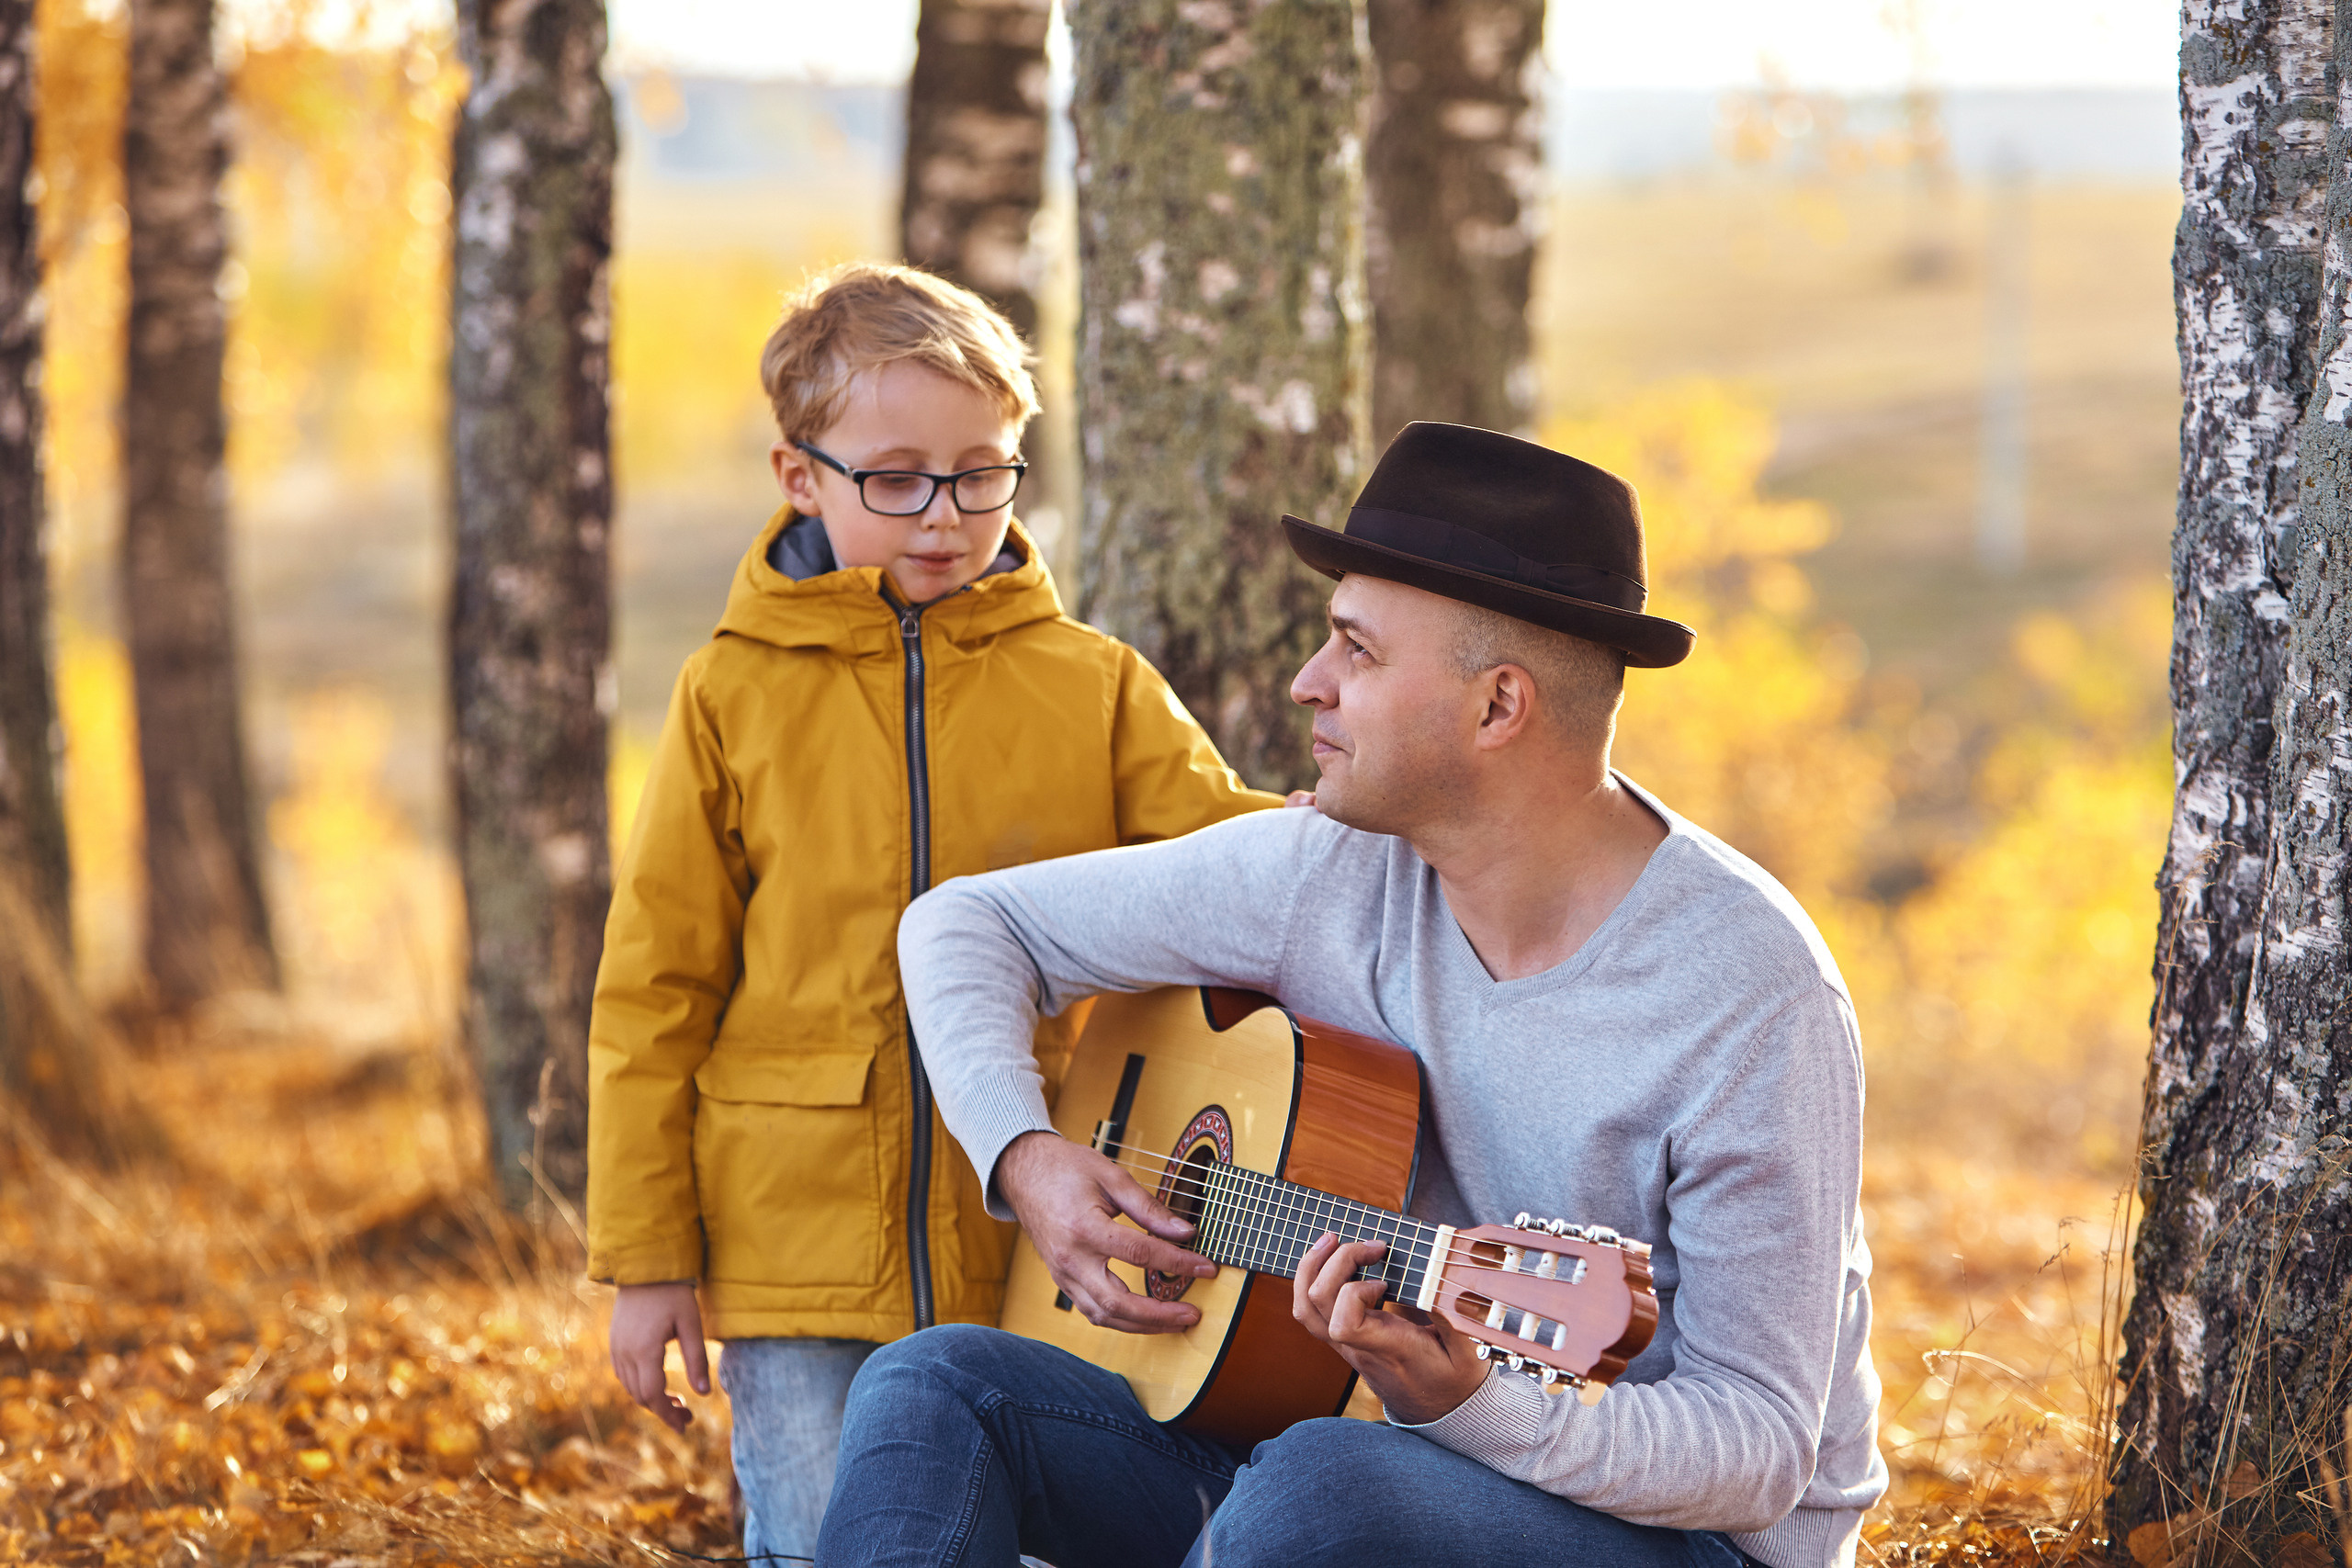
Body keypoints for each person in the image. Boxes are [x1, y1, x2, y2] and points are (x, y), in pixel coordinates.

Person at [820, 422, 1889, 1568]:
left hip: (1689, 1539)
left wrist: (1469, 1406)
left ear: (1498, 708)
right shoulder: (1327, 870)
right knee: (938, 1386)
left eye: (1357, 651)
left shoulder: (1748, 992)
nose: (1307, 683)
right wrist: (1025, 1154)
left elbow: (1755, 1448)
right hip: (1373, 1475)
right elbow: (966, 924)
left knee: (1324, 1488)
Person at [582, 262, 1281, 1564]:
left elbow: (1237, 867)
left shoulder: (1094, 686)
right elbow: (653, 992)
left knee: (992, 1525)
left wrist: (1380, 822)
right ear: (801, 477)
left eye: (980, 473)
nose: (946, 515)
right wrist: (647, 1255)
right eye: (897, 479)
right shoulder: (729, 694)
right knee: (820, 1536)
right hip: (789, 1242)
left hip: (1025, 1231)